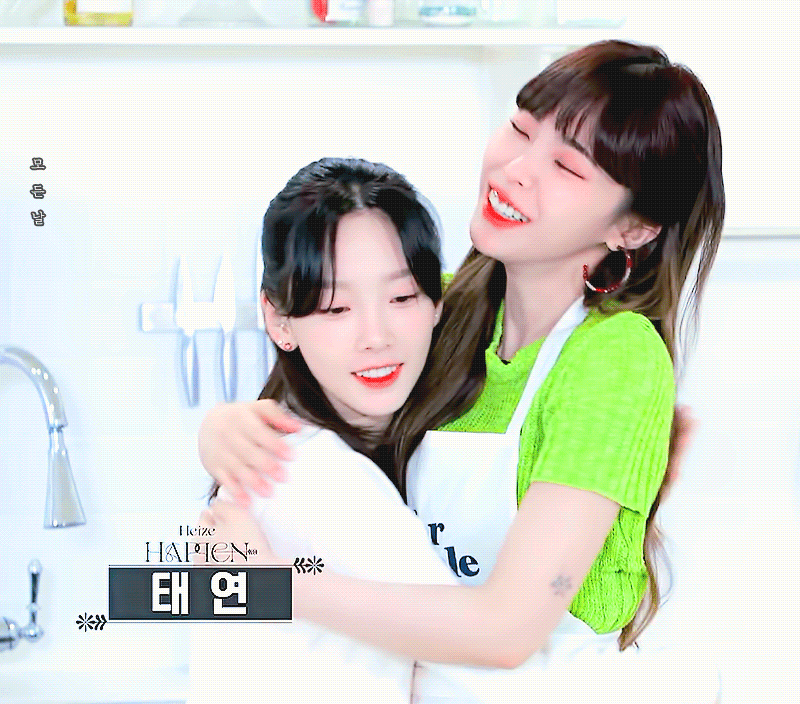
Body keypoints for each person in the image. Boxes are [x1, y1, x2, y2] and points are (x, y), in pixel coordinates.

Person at [199, 40, 724, 703]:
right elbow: (330, 438)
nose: (515, 171)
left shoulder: (616, 357)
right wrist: (225, 431)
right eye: (520, 130)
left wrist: (274, 588)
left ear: (636, 227)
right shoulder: (443, 307)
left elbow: (508, 631)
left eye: (565, 166)